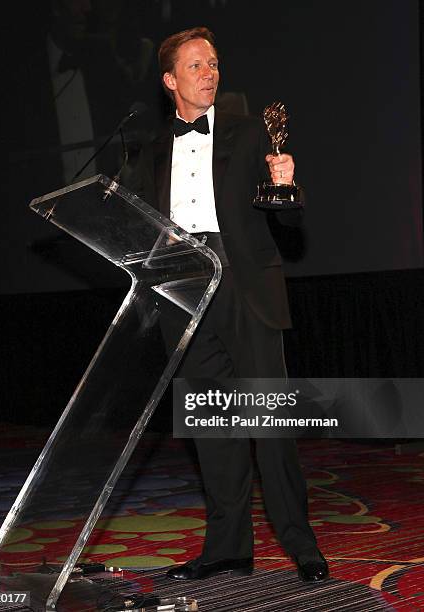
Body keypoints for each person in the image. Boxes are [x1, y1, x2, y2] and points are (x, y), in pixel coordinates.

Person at [131, 26, 328, 583]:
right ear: (171, 80)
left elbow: (284, 216)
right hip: (184, 296)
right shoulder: (148, 155)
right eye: (196, 66)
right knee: (213, 429)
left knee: (270, 426)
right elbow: (134, 227)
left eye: (213, 63)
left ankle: (301, 544)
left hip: (246, 290)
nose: (209, 73)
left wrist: (289, 185)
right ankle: (226, 547)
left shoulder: (246, 135)